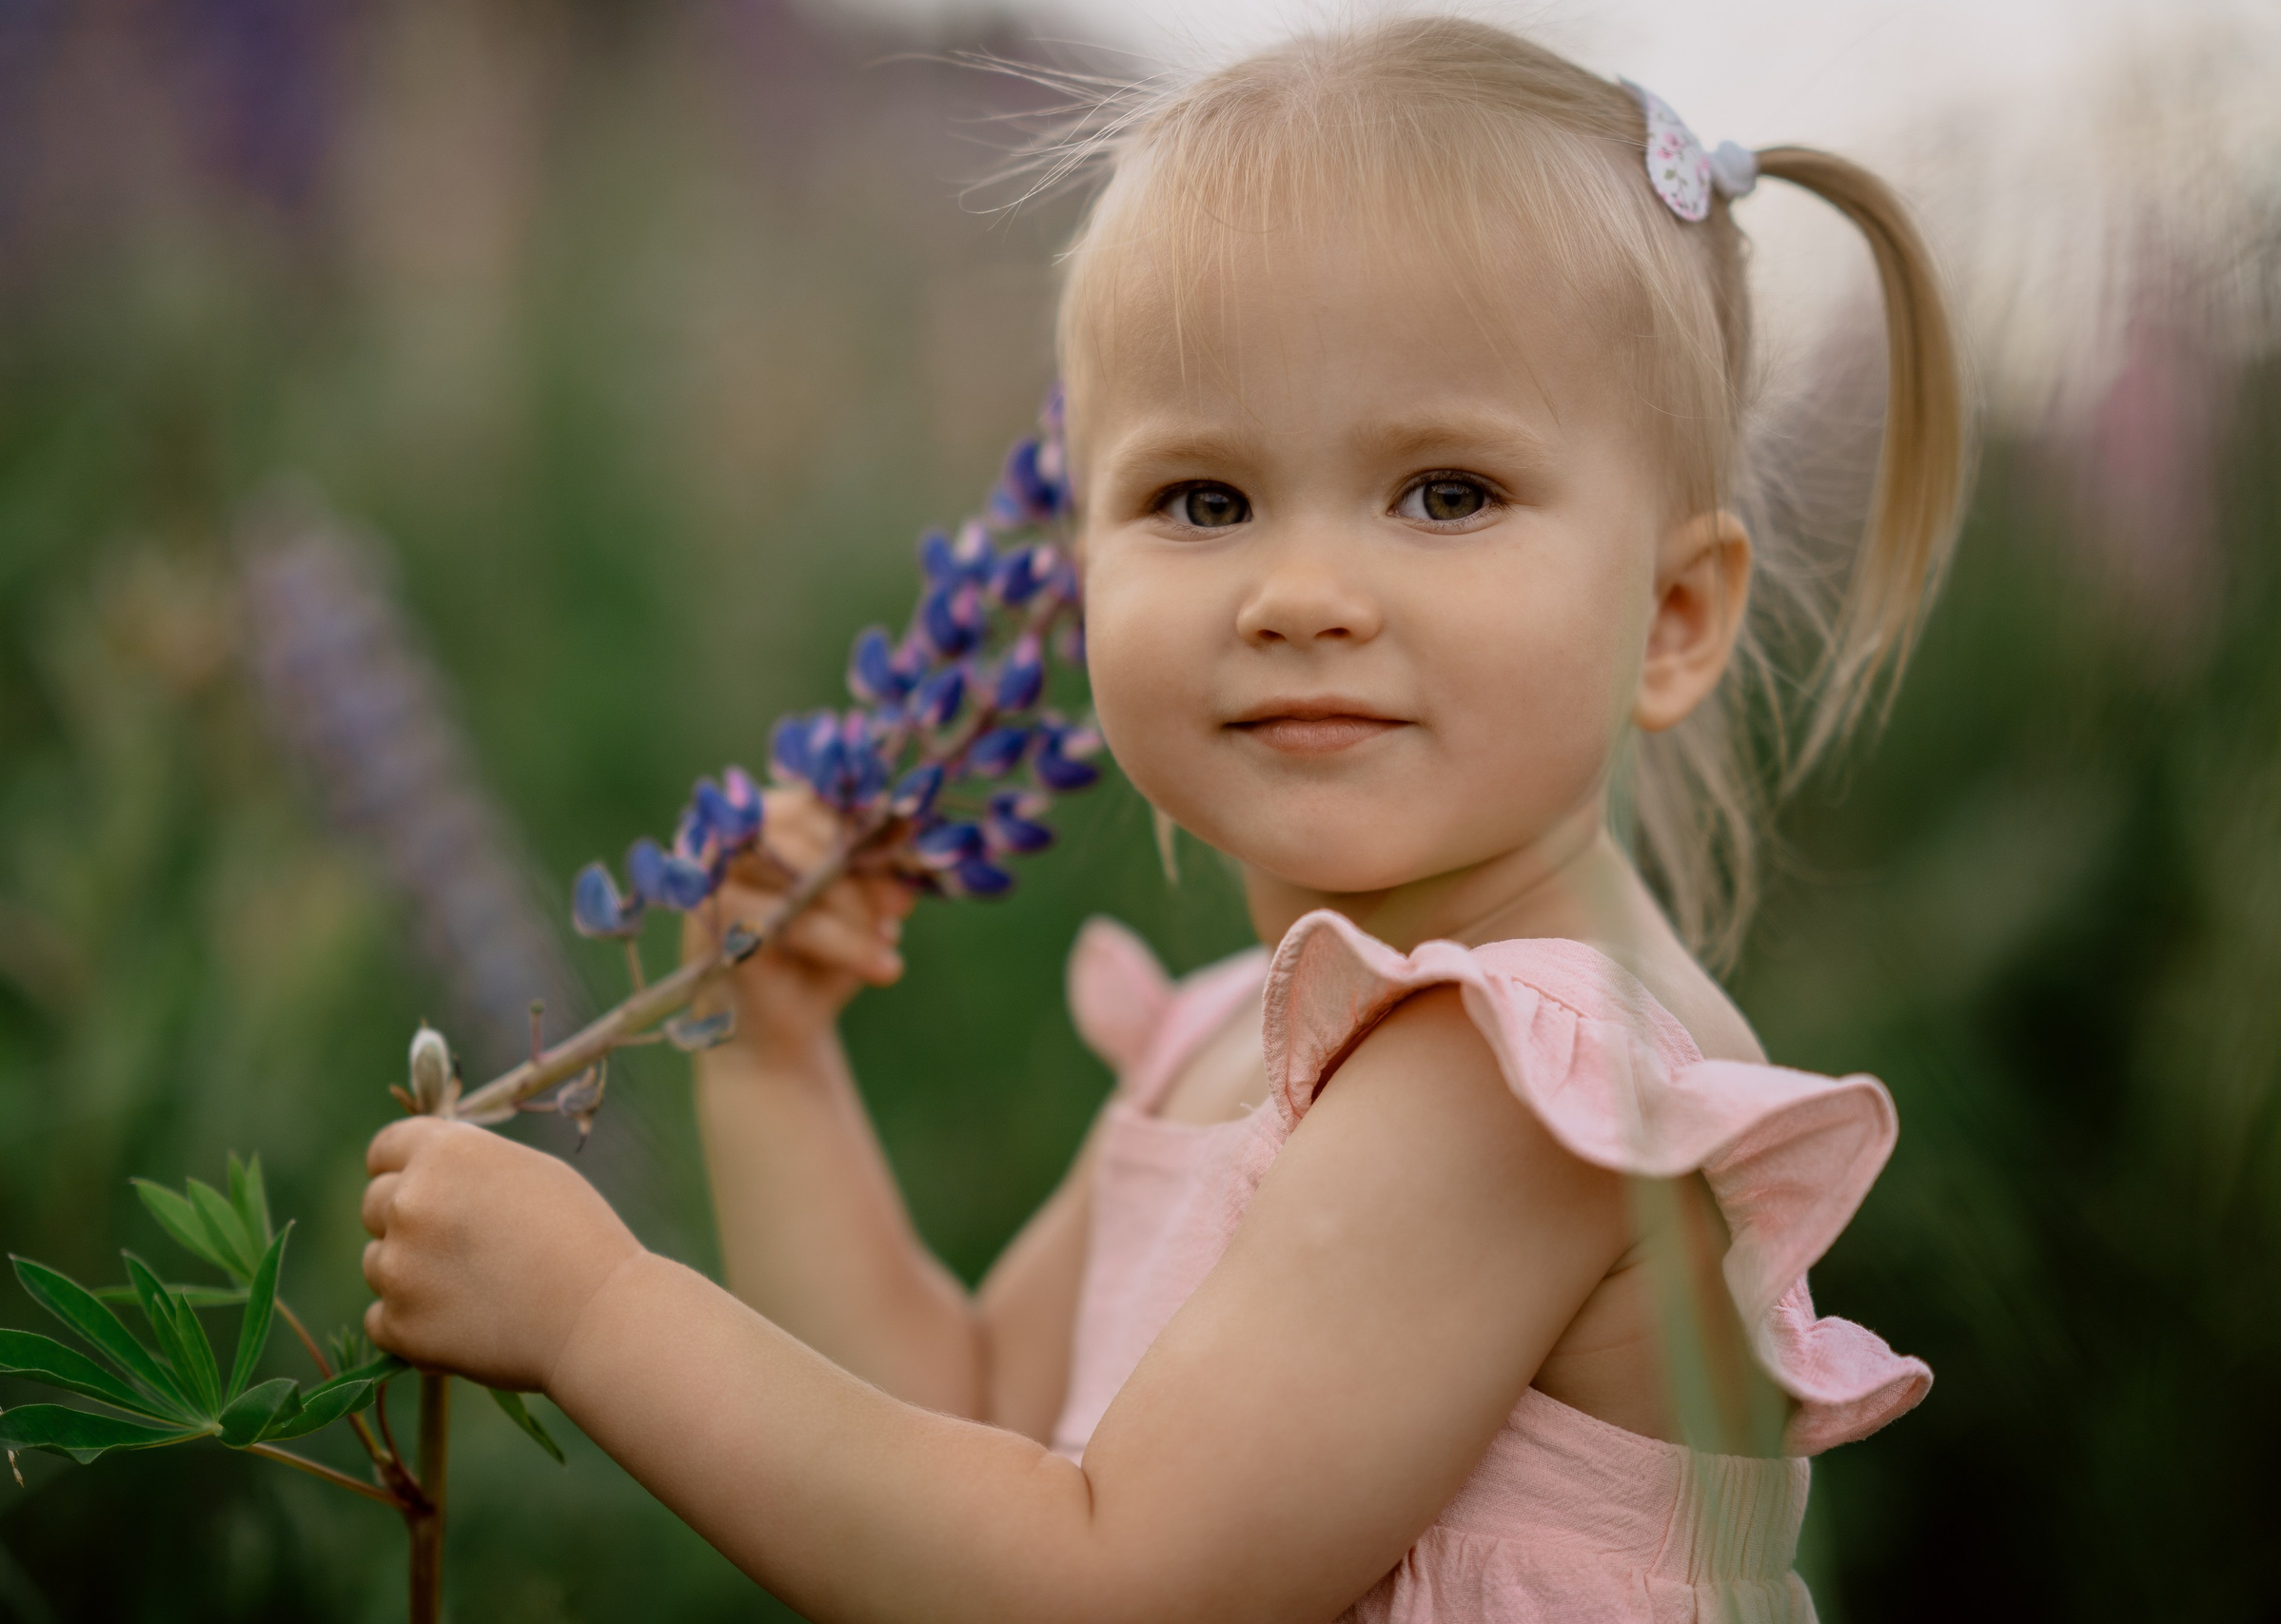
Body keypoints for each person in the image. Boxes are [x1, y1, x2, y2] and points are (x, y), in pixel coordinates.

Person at [357, 17, 1964, 1619]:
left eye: (1448, 493)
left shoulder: (1525, 1084)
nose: (1303, 592)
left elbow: (1104, 1583)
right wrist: (773, 1067)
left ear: (1674, 617)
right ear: (1078, 568)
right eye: (1205, 499)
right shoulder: (1225, 1042)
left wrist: (599, 1316)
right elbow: (962, 1424)